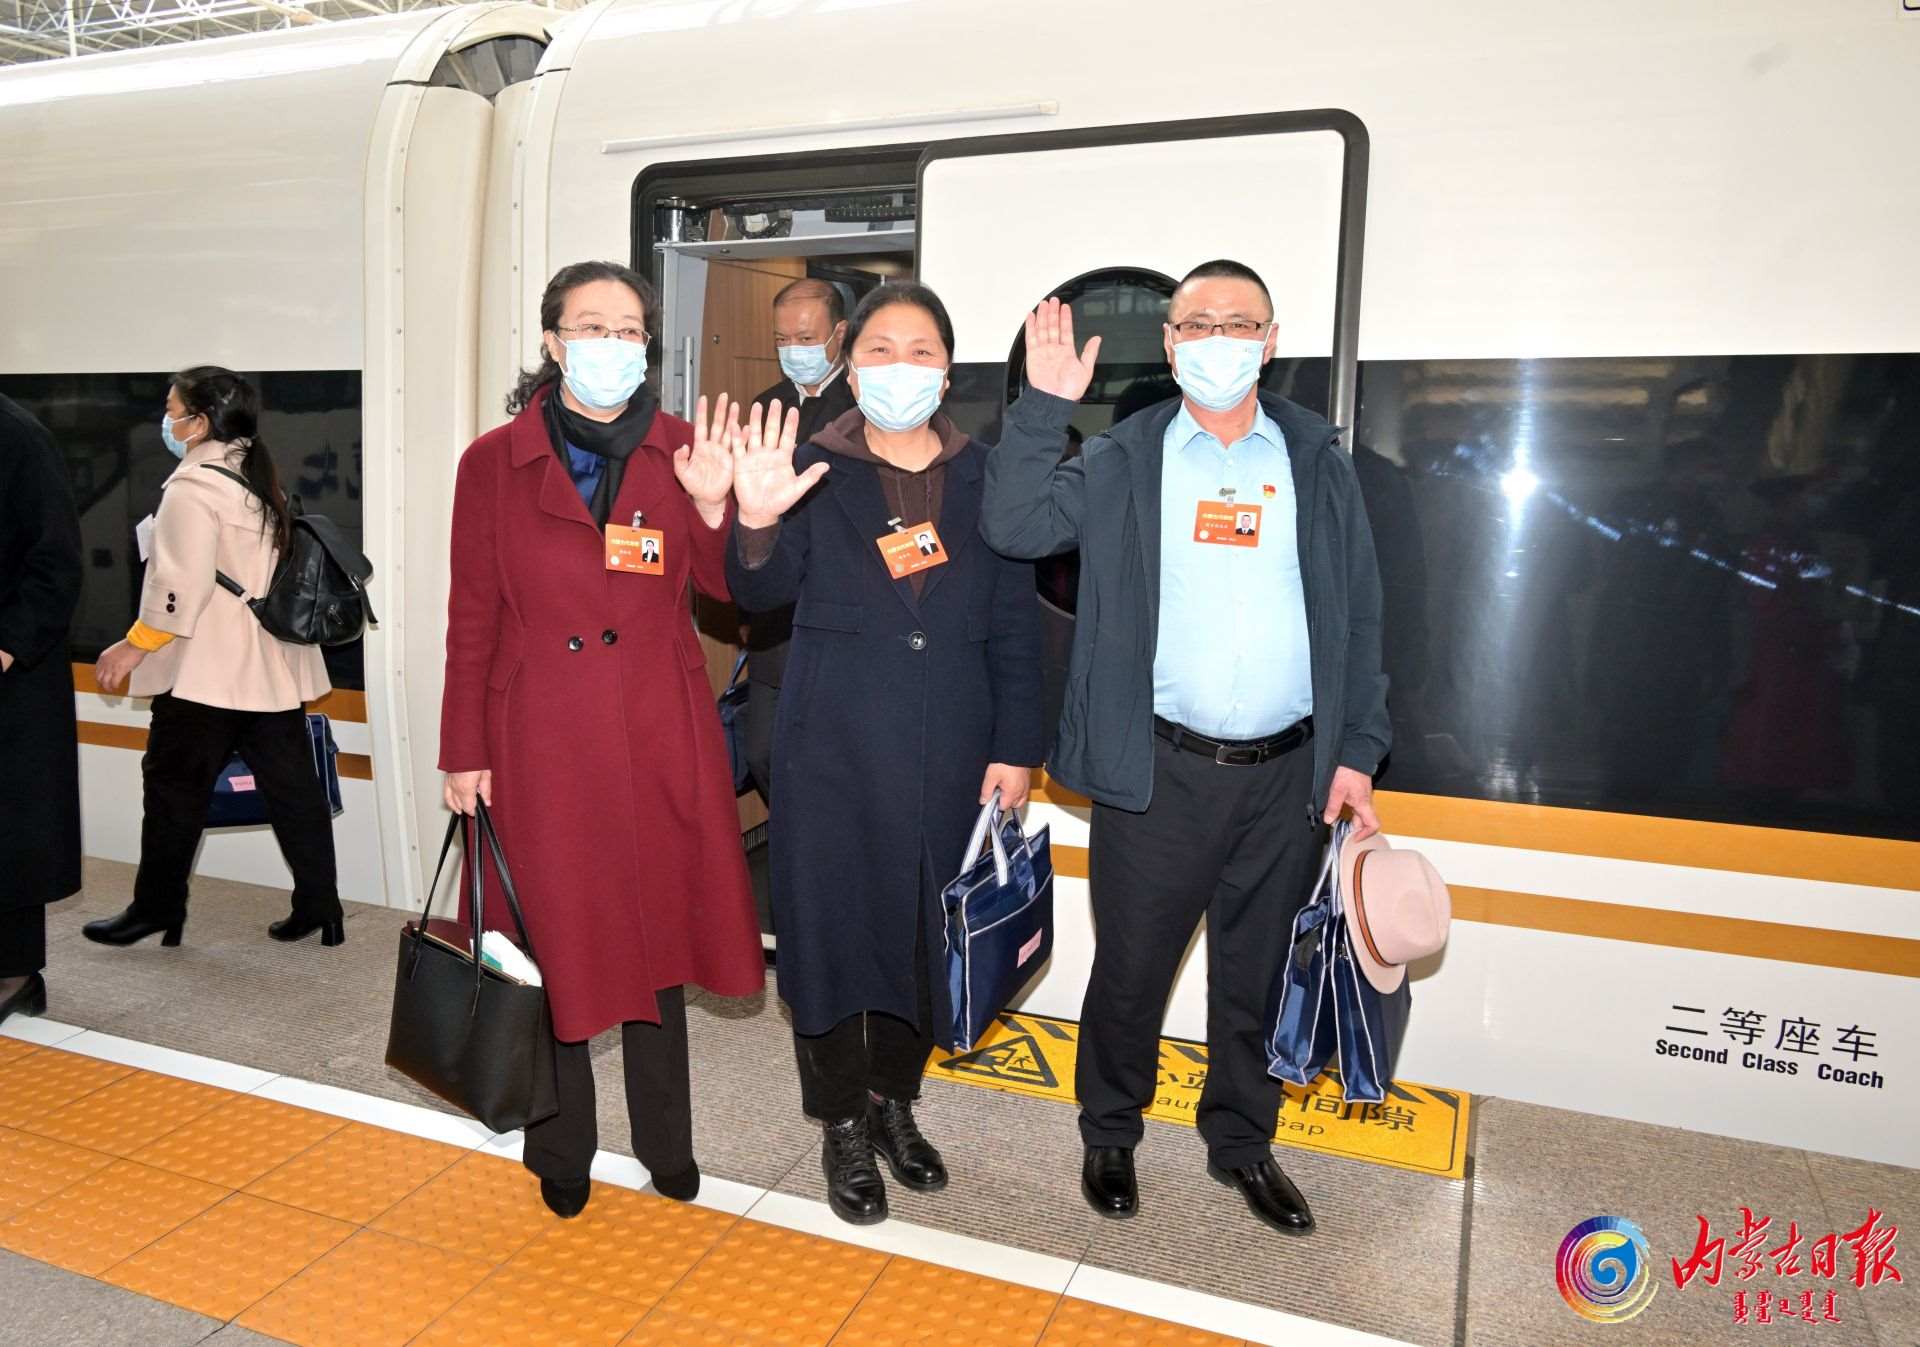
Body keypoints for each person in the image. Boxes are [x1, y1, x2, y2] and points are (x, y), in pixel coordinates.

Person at [982, 262, 1390, 1239]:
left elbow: (1362, 613)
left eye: (1238, 324)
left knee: (1257, 973)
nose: (1218, 340)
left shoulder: (1316, 459)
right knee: (1131, 970)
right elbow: (1013, 524)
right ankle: (1110, 1131)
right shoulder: (1125, 458)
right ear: (1170, 344)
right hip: (1157, 771)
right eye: (1197, 324)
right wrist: (1043, 409)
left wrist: (1359, 747)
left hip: (1290, 775)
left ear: (1270, 341)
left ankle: (1243, 1141)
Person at [440, 259, 764, 1220]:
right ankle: (560, 1145)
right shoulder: (491, 463)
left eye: (628, 331)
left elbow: (730, 593)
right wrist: (463, 748)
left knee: (658, 940)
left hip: (658, 732)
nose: (610, 345)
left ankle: (668, 1144)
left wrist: (717, 507)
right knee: (554, 942)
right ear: (552, 341)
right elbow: (471, 617)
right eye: (591, 327)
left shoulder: (686, 450)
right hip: (537, 738)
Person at [726, 281, 1044, 1226]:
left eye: (920, 350)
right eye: (878, 349)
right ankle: (839, 1122)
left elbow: (1016, 626)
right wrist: (755, 520)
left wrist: (1017, 747)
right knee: (830, 938)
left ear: (946, 372)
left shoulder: (988, 475)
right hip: (832, 746)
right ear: (850, 366)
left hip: (955, 748)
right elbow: (761, 595)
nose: (899, 366)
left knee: (921, 937)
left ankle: (893, 1102)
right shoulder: (809, 466)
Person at [87, 368, 343, 950]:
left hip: (205, 675)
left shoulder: (192, 488)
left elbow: (180, 586)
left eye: (173, 410)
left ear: (199, 423)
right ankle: (320, 906)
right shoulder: (258, 480)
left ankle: (157, 909)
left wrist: (134, 645)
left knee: (173, 792)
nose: (167, 420)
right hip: (271, 670)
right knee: (293, 793)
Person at [740, 278, 860, 802]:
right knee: (763, 751)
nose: (793, 351)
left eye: (806, 340)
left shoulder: (868, 406)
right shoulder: (765, 407)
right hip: (777, 620)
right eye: (782, 340)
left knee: (833, 762)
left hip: (845, 610)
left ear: (840, 333)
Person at [0, 395, 83, 1024]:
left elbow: (56, 561)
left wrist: (7, 647)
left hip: (12, 675)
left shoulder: (17, 436)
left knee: (11, 829)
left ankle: (16, 975)